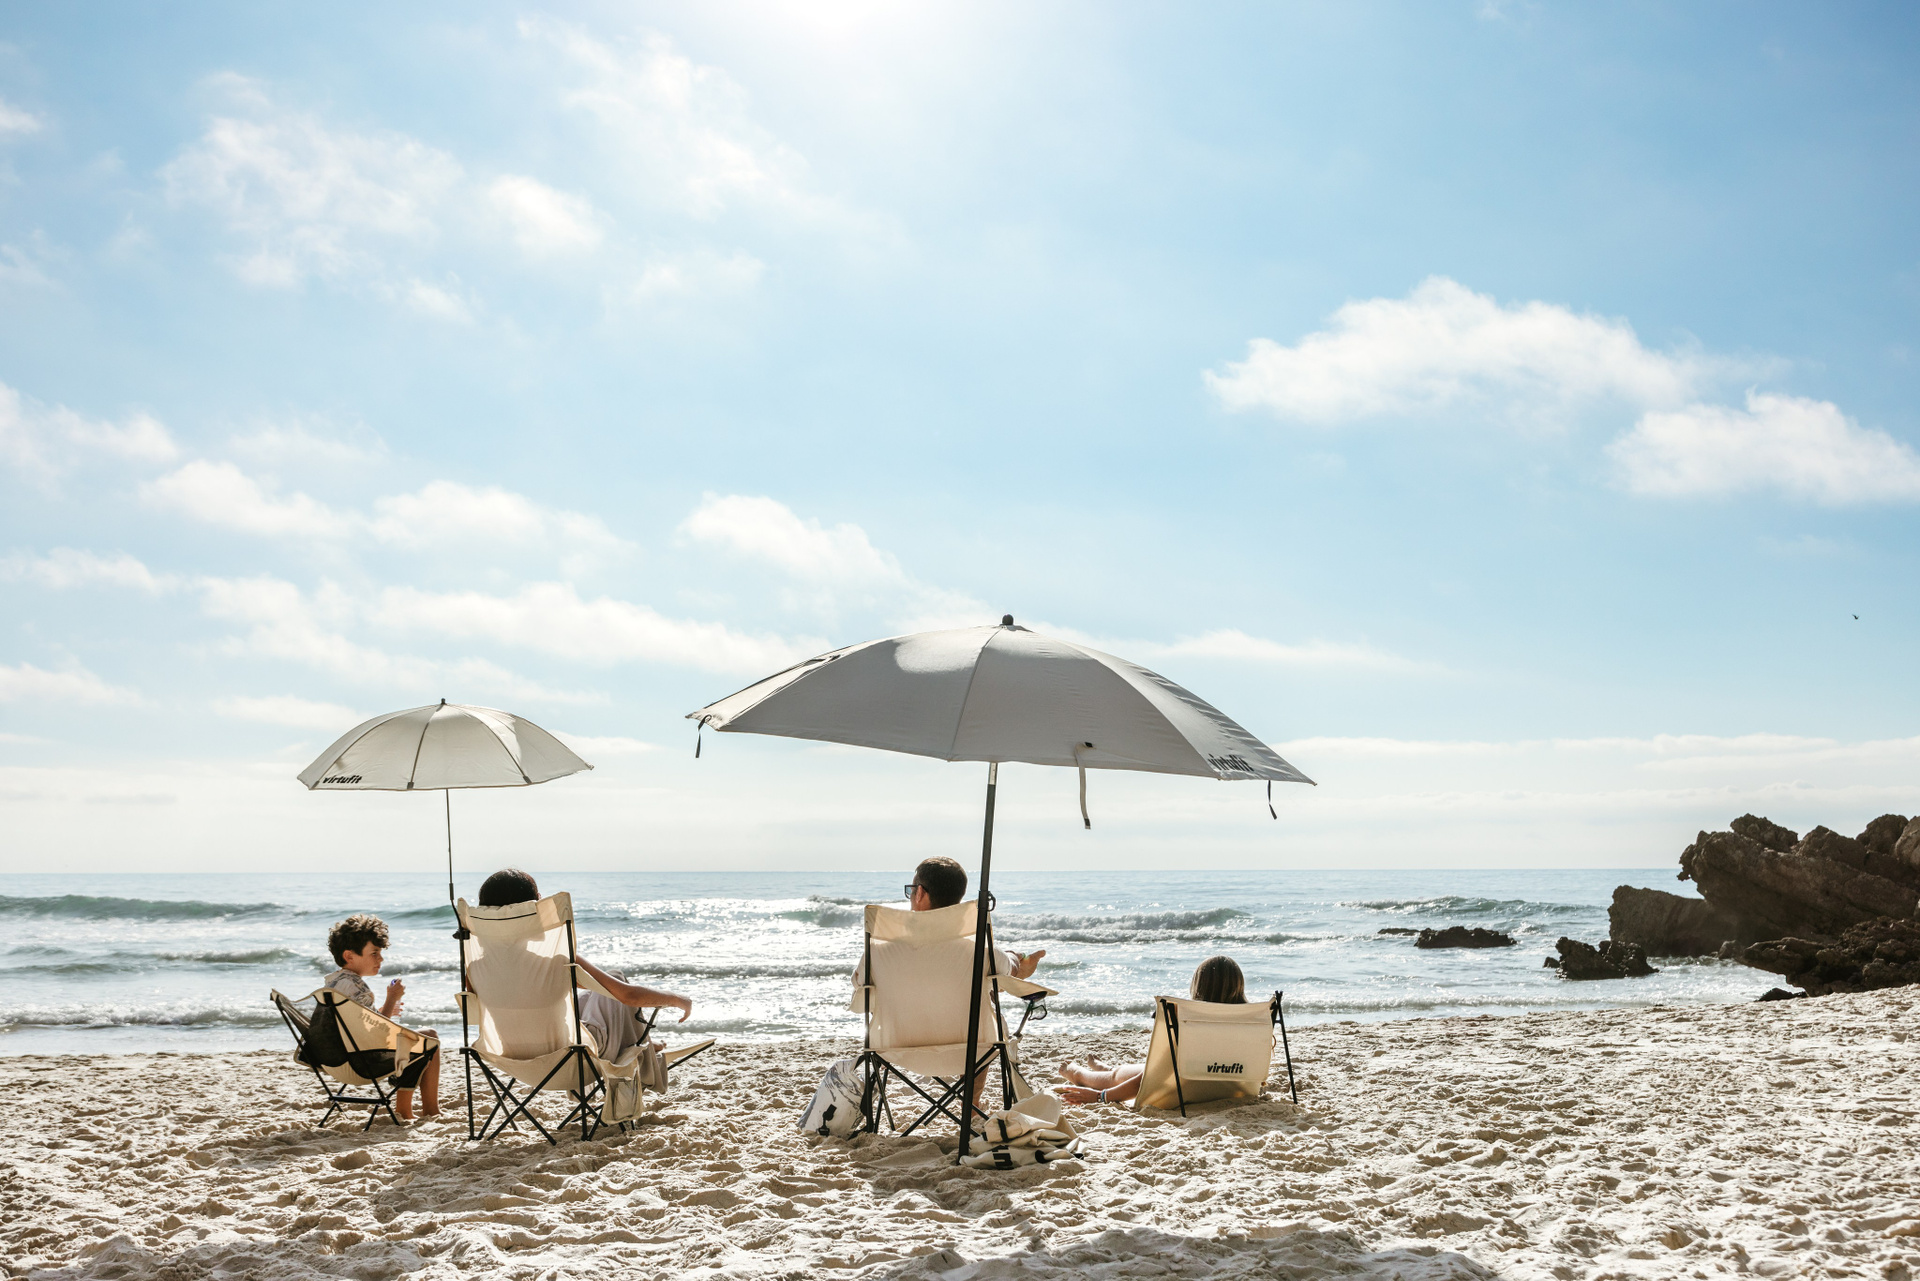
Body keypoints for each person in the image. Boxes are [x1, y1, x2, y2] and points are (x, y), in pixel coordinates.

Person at [473, 868, 693, 1064]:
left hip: (512, 1058)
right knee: (614, 981)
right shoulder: (557, 962)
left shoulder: (475, 968)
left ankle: (647, 1044)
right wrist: (676, 999)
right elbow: (629, 996)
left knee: (588, 997)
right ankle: (644, 1047)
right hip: (571, 1059)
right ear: (533, 909)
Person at [1056, 954, 1247, 1105]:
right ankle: (1107, 1069)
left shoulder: (1189, 1023)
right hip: (1229, 1091)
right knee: (1124, 1072)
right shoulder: (1252, 1023)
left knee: (1115, 1077)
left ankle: (1078, 1073)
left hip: (1183, 1091)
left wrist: (1100, 1096)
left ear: (1198, 986)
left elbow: (1150, 1077)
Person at [321, 914, 441, 1121]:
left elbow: (358, 1025)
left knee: (414, 1038)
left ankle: (419, 1109)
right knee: (428, 1037)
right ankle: (416, 1109)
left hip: (336, 1060)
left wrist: (385, 1009)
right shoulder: (356, 987)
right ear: (349, 956)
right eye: (374, 953)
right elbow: (377, 1034)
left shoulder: (334, 983)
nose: (381, 959)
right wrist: (392, 998)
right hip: (362, 1062)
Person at [902, 856, 1045, 979]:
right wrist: (1013, 956)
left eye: (911, 890)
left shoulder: (890, 951)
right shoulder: (981, 956)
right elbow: (1012, 967)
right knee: (990, 978)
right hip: (963, 996)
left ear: (919, 893)